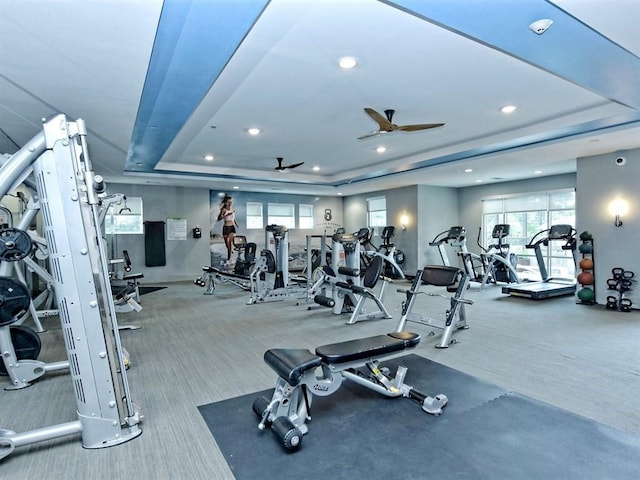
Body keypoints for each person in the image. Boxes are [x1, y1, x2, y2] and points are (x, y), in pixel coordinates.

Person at [217, 195, 239, 263]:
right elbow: (219, 219)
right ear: (226, 202)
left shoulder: (232, 209)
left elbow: (233, 217)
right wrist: (226, 215)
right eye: (229, 202)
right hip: (226, 228)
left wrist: (236, 223)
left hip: (232, 228)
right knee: (227, 244)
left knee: (230, 243)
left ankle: (229, 259)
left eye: (231, 202)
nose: (230, 204)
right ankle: (230, 252)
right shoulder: (223, 210)